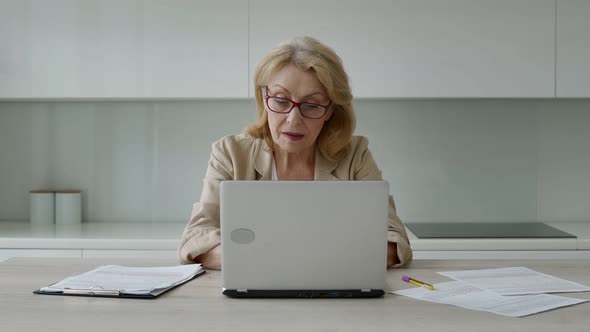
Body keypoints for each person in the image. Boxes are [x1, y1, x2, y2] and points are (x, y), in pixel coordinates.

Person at [178, 36, 412, 270]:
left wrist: (274, 258)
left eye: (311, 105)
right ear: (264, 98)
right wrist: (307, 259)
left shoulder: (355, 156)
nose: (293, 119)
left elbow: (393, 244)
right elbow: (196, 240)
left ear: (330, 110)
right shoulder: (230, 154)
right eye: (280, 101)